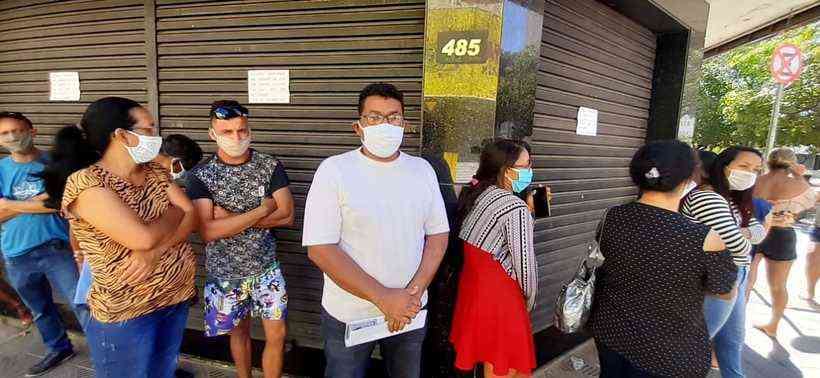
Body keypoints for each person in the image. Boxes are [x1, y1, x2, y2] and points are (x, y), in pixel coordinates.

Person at [40, 97, 198, 377]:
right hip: (127, 308)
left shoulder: (153, 172)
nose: (155, 137)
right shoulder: (87, 183)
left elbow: (191, 214)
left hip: (174, 294)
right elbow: (143, 238)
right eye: (148, 130)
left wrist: (155, 252)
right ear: (121, 135)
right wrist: (173, 214)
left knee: (162, 372)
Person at [302, 83, 449, 378]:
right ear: (358, 126)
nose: (385, 124)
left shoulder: (422, 170)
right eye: (374, 117)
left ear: (405, 125)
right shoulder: (335, 170)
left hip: (409, 310)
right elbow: (320, 248)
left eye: (393, 117)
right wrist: (383, 297)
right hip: (350, 314)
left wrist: (413, 293)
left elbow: (437, 236)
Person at [590, 140, 735, 378]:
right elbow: (724, 290)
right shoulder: (704, 237)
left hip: (611, 331)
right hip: (669, 349)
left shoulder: (611, 217)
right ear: (689, 178)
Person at [187, 100, 294, 378]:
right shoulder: (201, 175)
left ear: (250, 131)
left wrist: (228, 219)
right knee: (238, 334)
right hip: (225, 273)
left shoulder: (269, 165)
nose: (236, 138)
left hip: (266, 268)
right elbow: (207, 231)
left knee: (277, 335)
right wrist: (261, 209)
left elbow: (286, 216)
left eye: (241, 130)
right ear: (212, 134)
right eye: (227, 132)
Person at [0, 111, 89, 377]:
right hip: (16, 253)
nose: (13, 137)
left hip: (58, 248)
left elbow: (64, 203)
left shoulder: (56, 163)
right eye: (5, 133)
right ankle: (59, 348)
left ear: (32, 131)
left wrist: (9, 204)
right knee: (40, 309)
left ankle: (107, 351)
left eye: (18, 130)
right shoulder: (1, 169)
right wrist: (41, 202)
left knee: (83, 304)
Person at [72, 133, 203, 306]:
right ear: (175, 163)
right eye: (180, 170)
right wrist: (80, 253)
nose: (176, 177)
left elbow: (188, 214)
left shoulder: (159, 183)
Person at [448, 139, 537, 377]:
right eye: (527, 165)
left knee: (489, 361)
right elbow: (525, 267)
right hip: (503, 300)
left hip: (475, 294)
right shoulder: (515, 208)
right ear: (507, 171)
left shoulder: (478, 194)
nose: (530, 170)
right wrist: (529, 300)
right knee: (504, 367)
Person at [680, 146, 765, 378]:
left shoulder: (732, 199)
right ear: (724, 166)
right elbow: (741, 245)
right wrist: (742, 234)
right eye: (744, 166)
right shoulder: (708, 197)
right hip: (716, 278)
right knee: (691, 347)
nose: (750, 174)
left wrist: (740, 234)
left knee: (732, 341)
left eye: (756, 169)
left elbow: (759, 232)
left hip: (735, 273)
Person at [751, 148, 816, 337]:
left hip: (756, 230)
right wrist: (798, 175)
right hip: (782, 234)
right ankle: (773, 325)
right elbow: (810, 202)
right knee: (779, 285)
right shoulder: (797, 184)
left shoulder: (757, 181)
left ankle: (735, 323)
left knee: (746, 282)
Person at [805, 203, 820, 305]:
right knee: (812, 260)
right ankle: (810, 291)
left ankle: (810, 292)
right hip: (817, 228)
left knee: (813, 261)